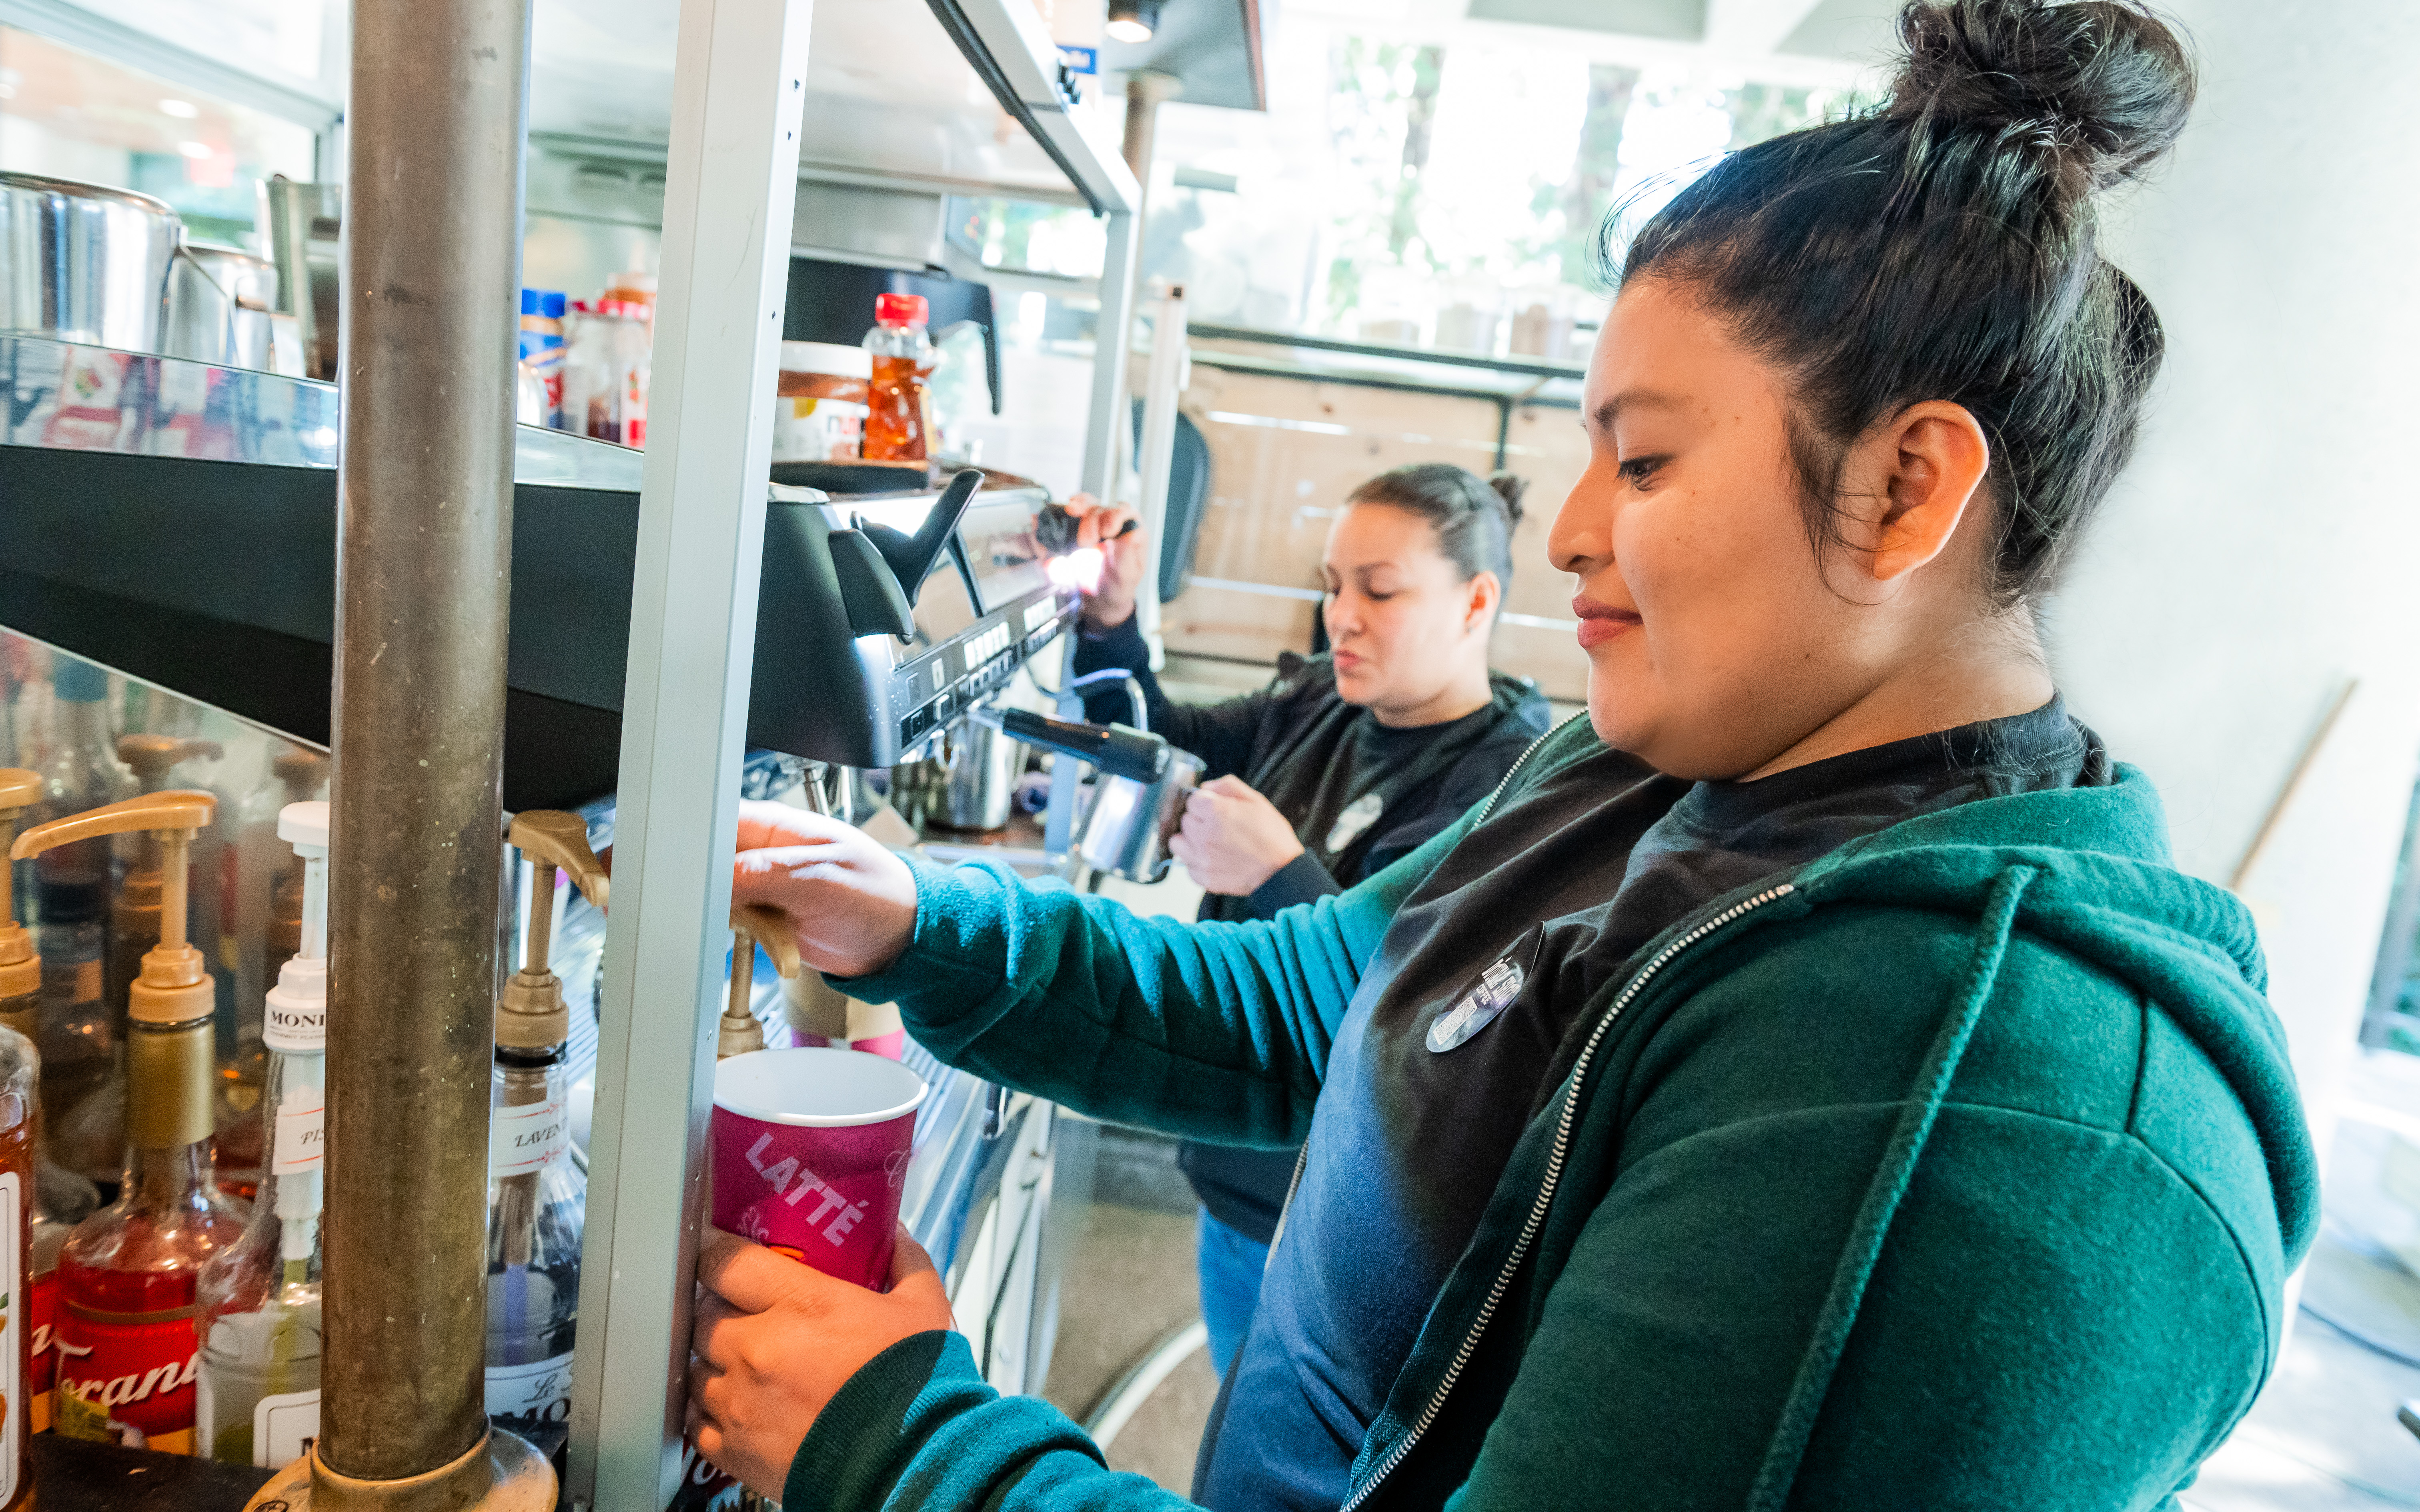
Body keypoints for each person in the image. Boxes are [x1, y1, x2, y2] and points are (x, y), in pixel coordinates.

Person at [687, 3, 2316, 1508]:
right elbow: (1314, 1009)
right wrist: (906, 918)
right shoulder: (1647, 779)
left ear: (1906, 489)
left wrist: (908, 1450)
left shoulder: (1959, 1105)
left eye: (1650, 459)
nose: (1580, 536)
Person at [1062, 465, 1552, 1377]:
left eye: (1381, 590)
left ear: (1476, 600)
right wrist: (1111, 619)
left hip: (1344, 1220)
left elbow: (1427, 1012)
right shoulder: (1320, 698)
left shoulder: (1508, 791)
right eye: (1334, 587)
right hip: (1238, 1177)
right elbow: (1162, 740)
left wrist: (1280, 874)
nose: (1344, 617)